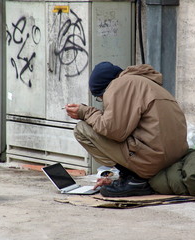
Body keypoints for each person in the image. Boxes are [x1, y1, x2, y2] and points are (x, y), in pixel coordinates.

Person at [65, 62, 188, 197]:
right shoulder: (146, 83)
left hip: (153, 162)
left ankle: (135, 180)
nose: (103, 101)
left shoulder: (120, 85)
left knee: (82, 129)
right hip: (174, 160)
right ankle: (130, 176)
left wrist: (85, 112)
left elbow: (113, 131)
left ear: (105, 89)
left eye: (100, 98)